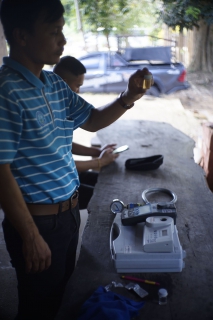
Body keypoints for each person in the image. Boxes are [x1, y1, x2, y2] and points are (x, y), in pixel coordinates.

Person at [0, 0, 152, 319]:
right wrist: (29, 235)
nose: (63, 41)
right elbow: (2, 174)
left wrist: (128, 97)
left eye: (62, 31)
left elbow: (93, 120)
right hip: (38, 223)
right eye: (54, 32)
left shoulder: (53, 83)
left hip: (67, 216)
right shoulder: (6, 91)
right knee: (37, 306)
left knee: (61, 294)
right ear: (22, 36)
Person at [54, 56, 119, 209]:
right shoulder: (46, 106)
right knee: (105, 198)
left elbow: (63, 144)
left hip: (67, 176)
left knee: (109, 184)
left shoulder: (60, 103)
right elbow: (60, 165)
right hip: (57, 186)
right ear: (62, 82)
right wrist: (100, 162)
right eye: (77, 85)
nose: (78, 91)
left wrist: (97, 152)